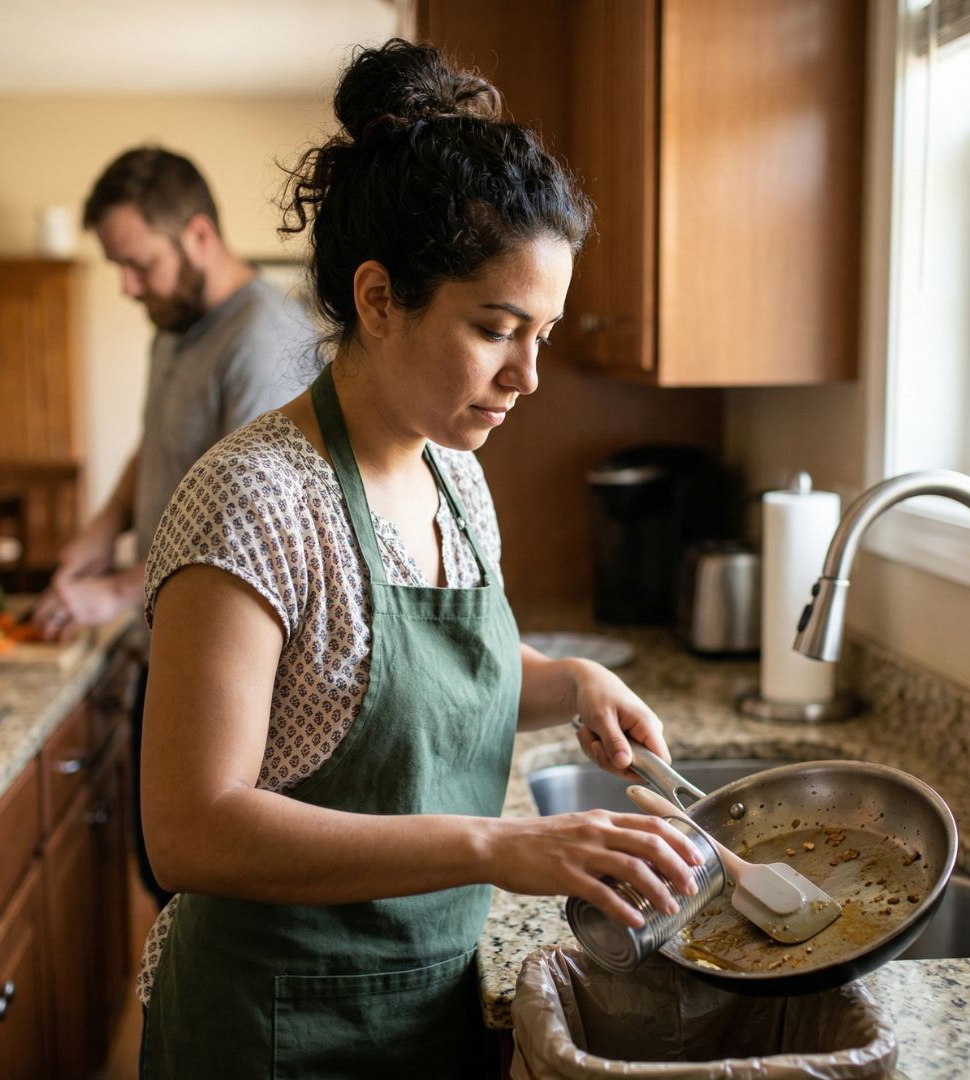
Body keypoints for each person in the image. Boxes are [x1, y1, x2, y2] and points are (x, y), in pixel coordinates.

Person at [136, 40, 703, 1079]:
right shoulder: (254, 499)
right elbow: (190, 829)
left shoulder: (455, 474)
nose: (527, 375)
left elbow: (411, 690)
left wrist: (567, 682)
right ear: (381, 298)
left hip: (424, 1003)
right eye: (496, 328)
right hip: (272, 1027)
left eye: (543, 332)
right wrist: (497, 848)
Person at [32, 146, 317, 906]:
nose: (128, 286)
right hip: (165, 643)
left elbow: (242, 533)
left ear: (196, 235)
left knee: (188, 890)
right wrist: (100, 530)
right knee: (158, 877)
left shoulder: (261, 340)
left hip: (222, 670)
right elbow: (156, 438)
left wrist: (117, 590)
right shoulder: (174, 320)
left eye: (138, 263)